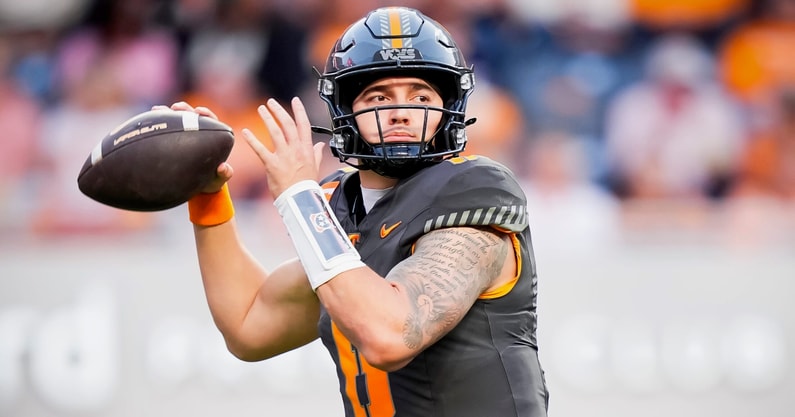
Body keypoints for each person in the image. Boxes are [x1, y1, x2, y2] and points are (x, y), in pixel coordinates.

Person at [159, 7, 549, 417]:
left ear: (446, 107)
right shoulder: (341, 206)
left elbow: (391, 336)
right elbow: (249, 325)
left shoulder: (474, 190)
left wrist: (301, 200)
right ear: (345, 110)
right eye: (379, 96)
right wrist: (208, 195)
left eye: (420, 95)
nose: (401, 111)